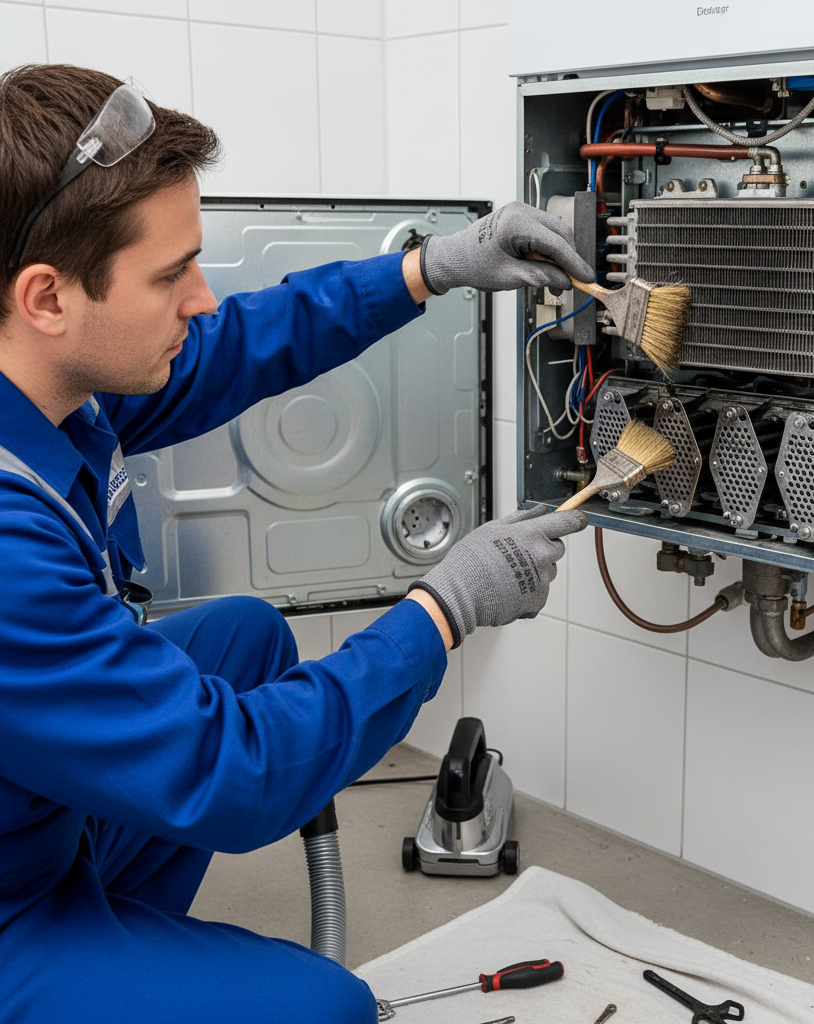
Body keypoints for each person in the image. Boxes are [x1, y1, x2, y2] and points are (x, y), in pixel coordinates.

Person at [0, 64, 593, 1023]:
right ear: (47, 297)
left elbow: (233, 344)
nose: (199, 296)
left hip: (32, 812)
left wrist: (430, 267)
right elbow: (228, 773)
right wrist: (444, 611)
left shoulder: (48, 380)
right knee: (324, 1009)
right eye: (168, 274)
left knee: (243, 641)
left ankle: (110, 957)